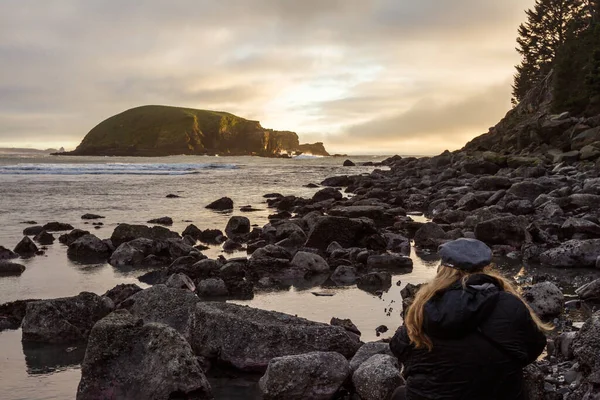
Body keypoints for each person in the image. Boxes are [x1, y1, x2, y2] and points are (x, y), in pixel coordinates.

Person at [389, 238, 551, 400]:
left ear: (443, 270)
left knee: (400, 394)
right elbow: (534, 347)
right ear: (485, 269)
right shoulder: (510, 304)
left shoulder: (423, 308)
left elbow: (398, 347)